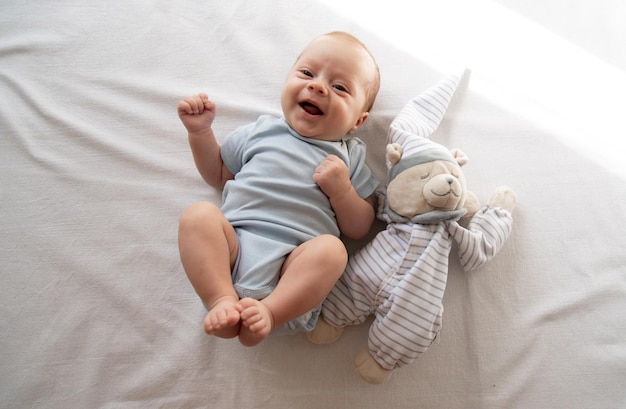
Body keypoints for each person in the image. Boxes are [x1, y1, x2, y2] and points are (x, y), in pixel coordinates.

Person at [177, 31, 381, 347]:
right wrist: (201, 133)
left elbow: (359, 228)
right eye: (307, 73)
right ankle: (221, 299)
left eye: (339, 87)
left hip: (292, 272)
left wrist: (341, 191)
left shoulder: (349, 156)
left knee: (332, 250)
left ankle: (268, 312)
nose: (318, 86)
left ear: (358, 121)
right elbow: (218, 174)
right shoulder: (260, 131)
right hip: (232, 251)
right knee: (198, 215)